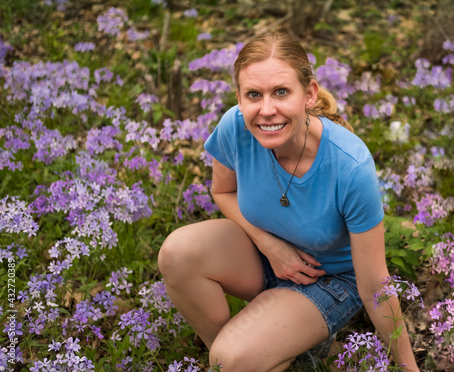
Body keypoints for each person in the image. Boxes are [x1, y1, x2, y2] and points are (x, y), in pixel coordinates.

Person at [158, 33, 419, 371]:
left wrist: (408, 367)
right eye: (254, 95)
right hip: (262, 253)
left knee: (233, 357)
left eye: (281, 92)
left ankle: (249, 353)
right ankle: (242, 354)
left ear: (309, 94)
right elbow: (222, 192)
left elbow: (373, 284)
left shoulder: (350, 166)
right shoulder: (234, 127)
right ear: (239, 97)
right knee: (177, 254)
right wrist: (270, 247)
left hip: (330, 279)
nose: (267, 110)